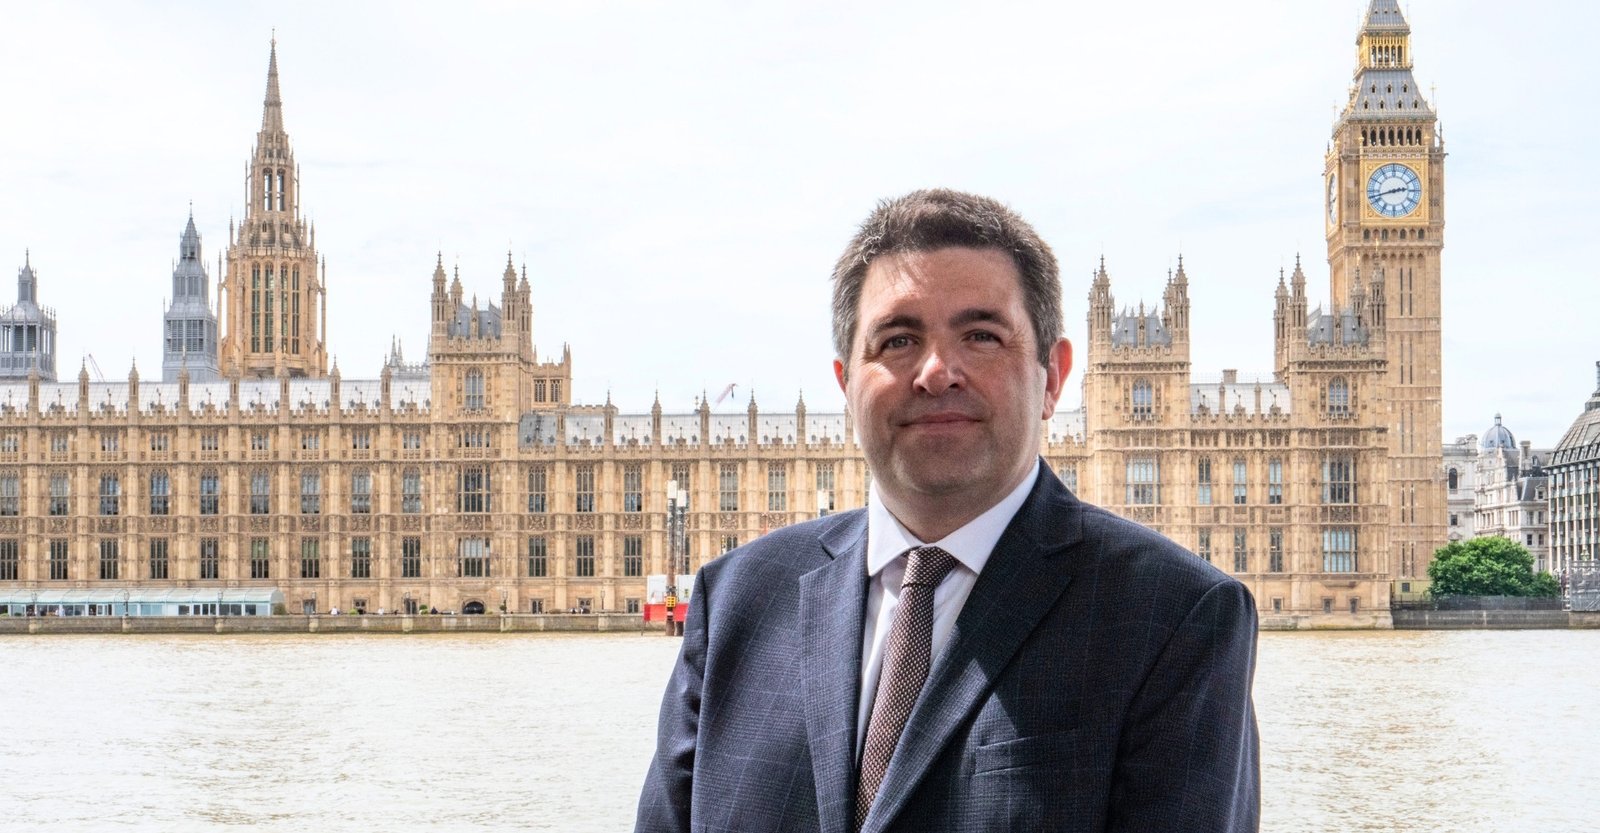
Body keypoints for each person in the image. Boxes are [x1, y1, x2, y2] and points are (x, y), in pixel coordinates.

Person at [636, 189, 1258, 832]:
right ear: (846, 384)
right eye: (899, 340)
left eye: (981, 336)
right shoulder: (736, 598)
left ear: (1054, 375)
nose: (937, 371)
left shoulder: (1177, 617)